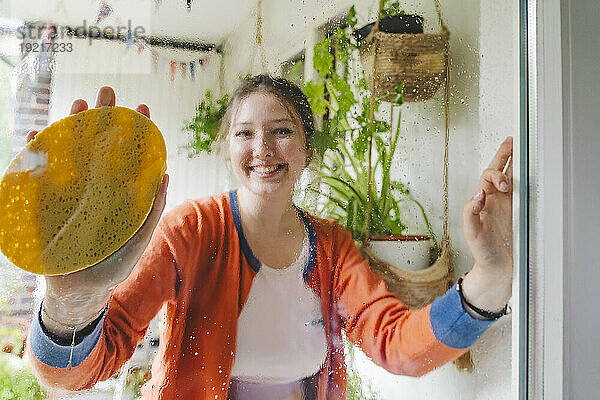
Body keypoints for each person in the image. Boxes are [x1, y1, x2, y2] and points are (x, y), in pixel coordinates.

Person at [25, 75, 513, 400]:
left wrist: (490, 275)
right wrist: (72, 300)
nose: (262, 149)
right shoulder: (189, 233)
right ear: (226, 147)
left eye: (280, 130)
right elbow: (74, 371)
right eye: (244, 134)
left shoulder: (332, 248)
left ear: (304, 148)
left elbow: (397, 346)